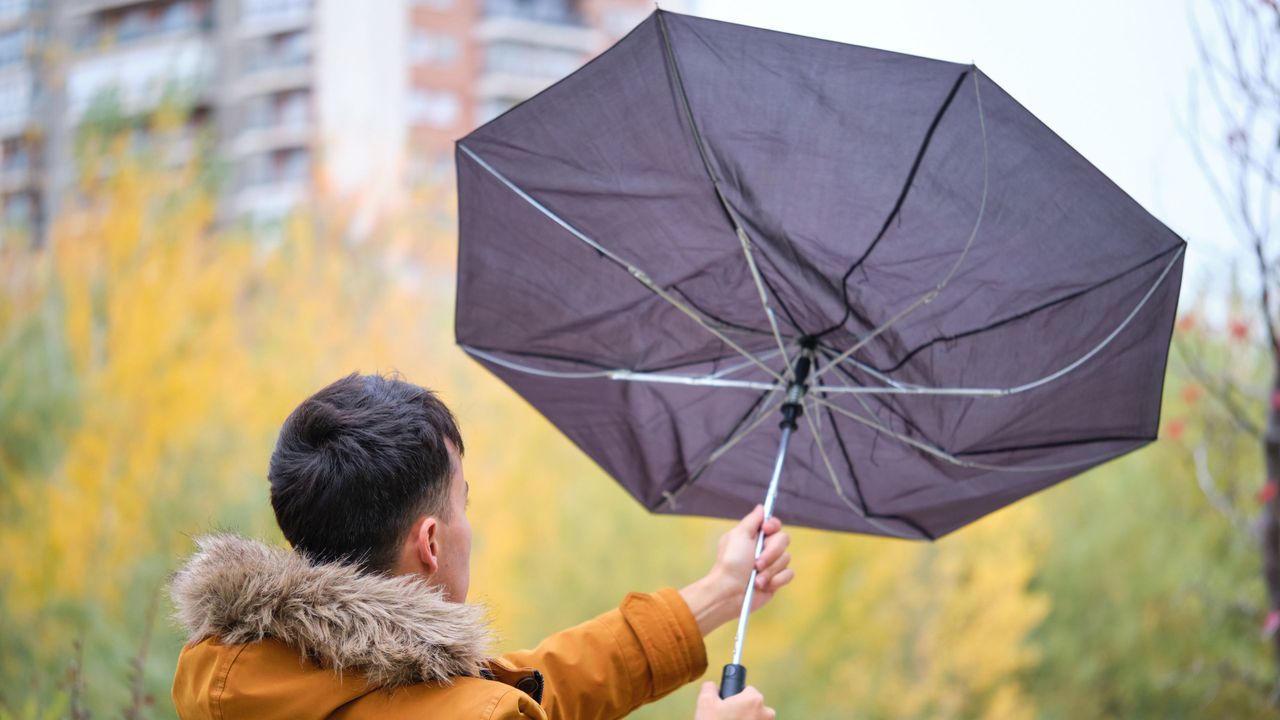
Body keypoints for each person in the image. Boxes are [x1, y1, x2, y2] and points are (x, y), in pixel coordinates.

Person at [170, 373, 793, 719]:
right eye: (463, 502)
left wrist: (721, 591)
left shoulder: (226, 677)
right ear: (432, 543)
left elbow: (546, 684)